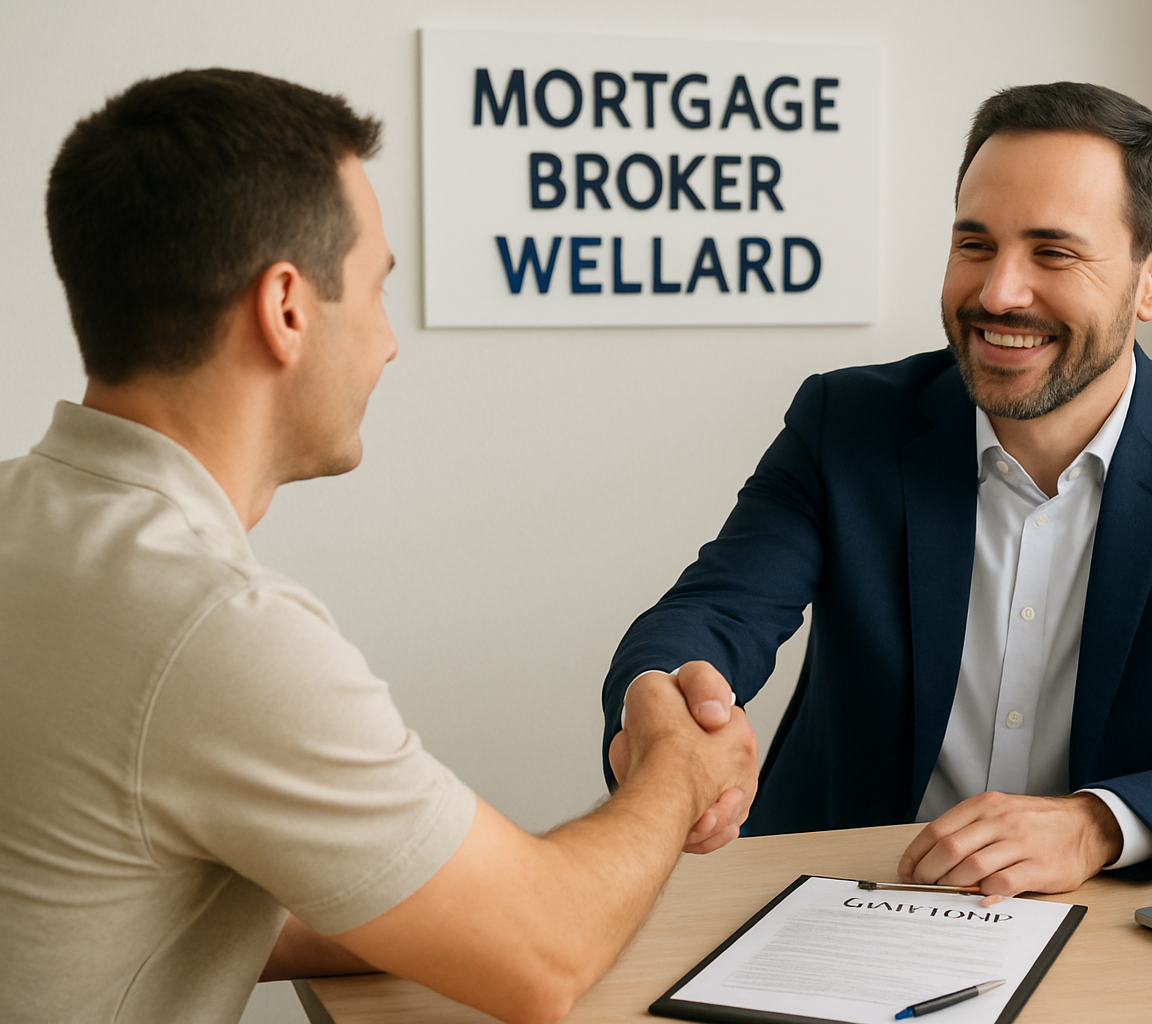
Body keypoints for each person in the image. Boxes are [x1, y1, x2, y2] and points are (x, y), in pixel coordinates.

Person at [0, 69, 755, 1024]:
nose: (390, 343)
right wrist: (679, 770)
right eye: (375, 289)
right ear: (286, 309)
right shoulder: (214, 631)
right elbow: (544, 957)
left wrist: (464, 897)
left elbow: (106, 899)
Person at [602, 81, 1152, 895]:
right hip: (834, 891)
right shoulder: (846, 422)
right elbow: (716, 610)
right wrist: (665, 703)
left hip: (1103, 917)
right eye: (975, 245)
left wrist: (1098, 823)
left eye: (1052, 253)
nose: (997, 293)